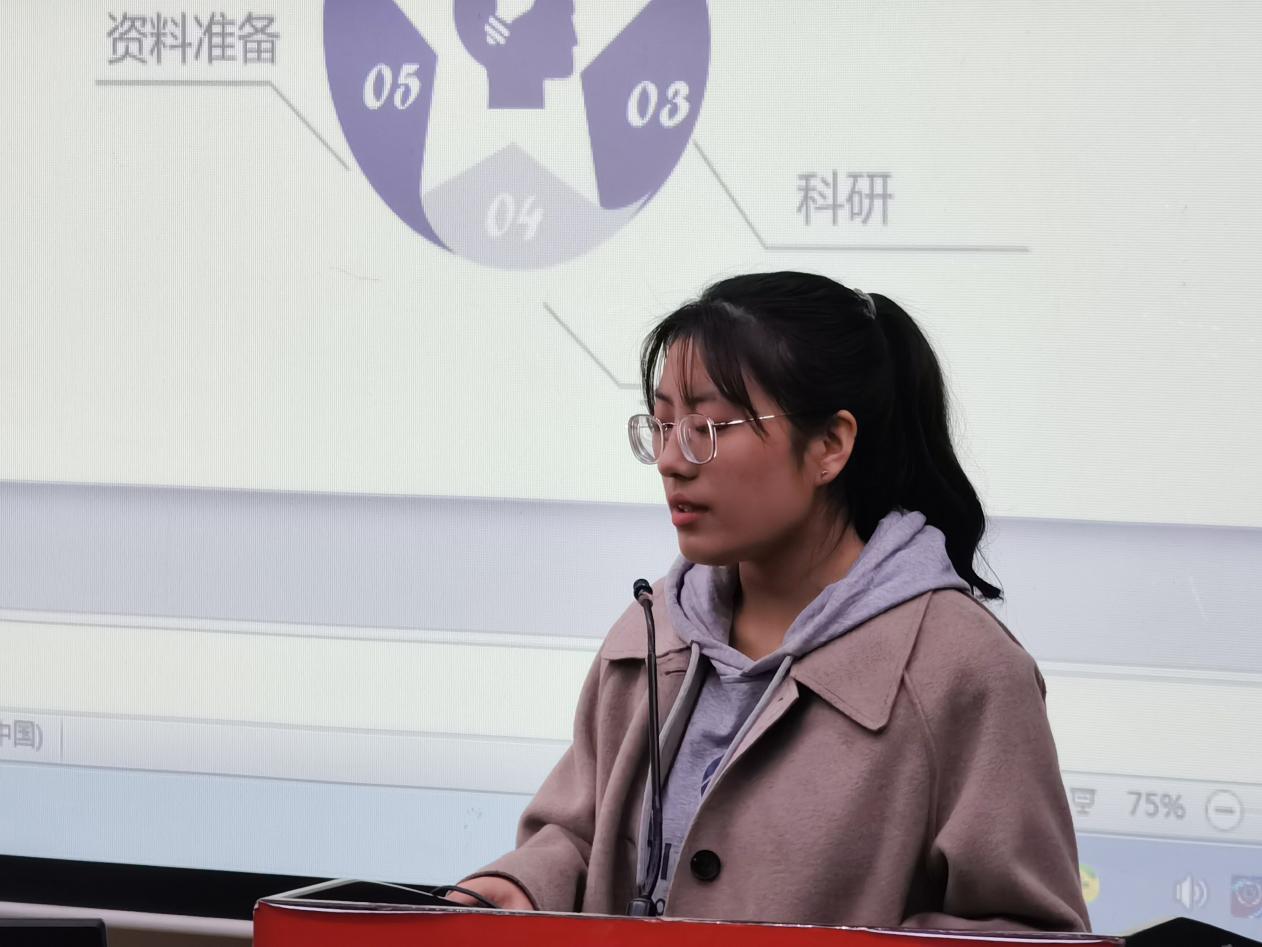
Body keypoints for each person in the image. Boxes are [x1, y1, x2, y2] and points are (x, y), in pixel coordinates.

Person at [447, 271, 1090, 931]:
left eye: (706, 426)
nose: (671, 460)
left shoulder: (962, 669)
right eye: (662, 425)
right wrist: (519, 885)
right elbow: (585, 836)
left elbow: (1031, 932)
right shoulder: (650, 632)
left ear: (830, 446)